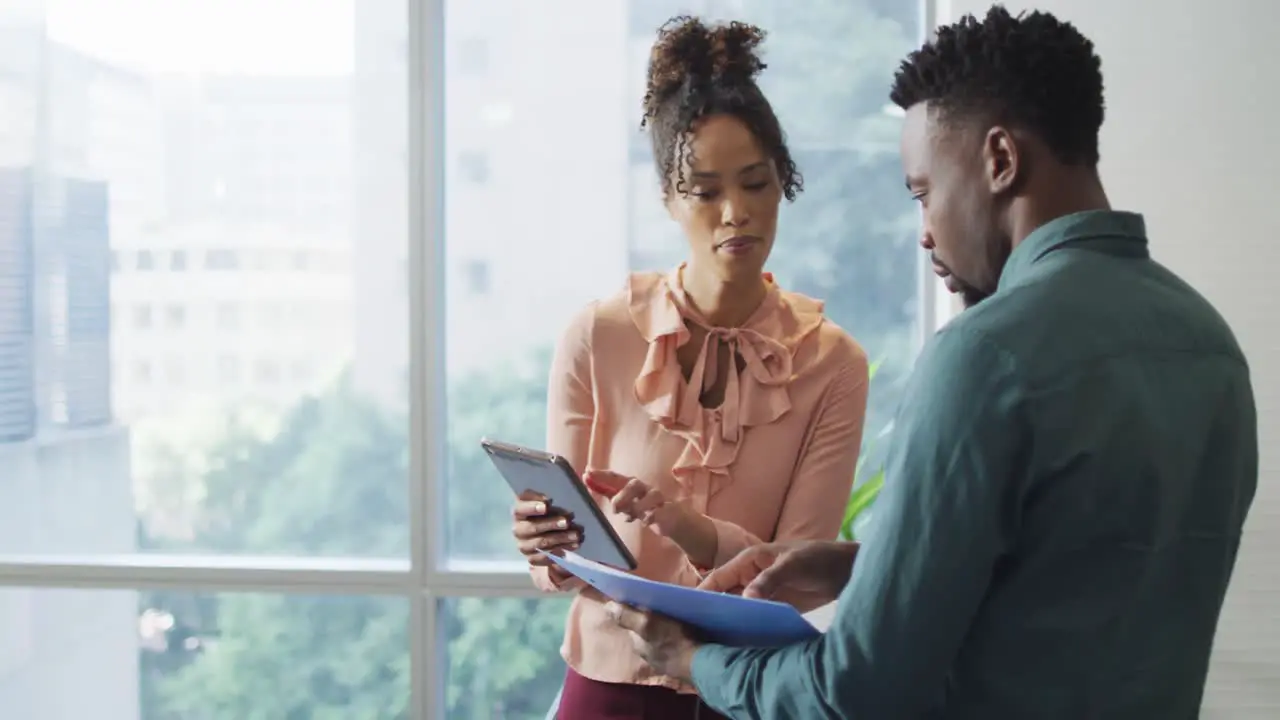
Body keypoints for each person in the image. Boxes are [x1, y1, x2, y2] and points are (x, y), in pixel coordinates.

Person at [603, 6, 1259, 719]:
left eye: (924, 193)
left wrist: (692, 661)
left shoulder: (987, 354)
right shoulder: (1210, 345)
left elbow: (853, 690)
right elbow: (1079, 576)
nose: (924, 234)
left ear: (1001, 160)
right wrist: (868, 569)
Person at [508, 15, 870, 719]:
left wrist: (687, 528)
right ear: (670, 201)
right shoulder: (596, 335)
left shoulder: (834, 365)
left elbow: (794, 580)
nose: (736, 212)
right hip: (606, 687)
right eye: (705, 192)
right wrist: (540, 541)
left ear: (782, 182)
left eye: (756, 183)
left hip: (745, 692)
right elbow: (564, 564)